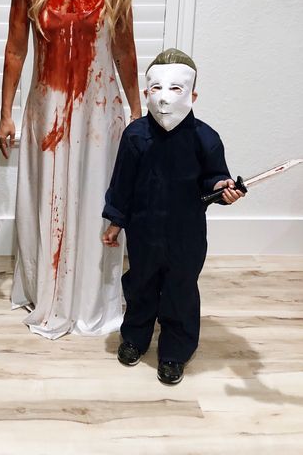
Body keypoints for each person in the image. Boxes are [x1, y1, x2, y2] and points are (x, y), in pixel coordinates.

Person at [0, 0, 142, 339]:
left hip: (100, 110)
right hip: (48, 108)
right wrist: (5, 113)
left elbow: (125, 50)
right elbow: (15, 50)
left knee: (97, 194)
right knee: (48, 196)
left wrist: (137, 112)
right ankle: (48, 288)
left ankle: (91, 293)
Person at [102, 48, 245, 385]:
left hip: (187, 232)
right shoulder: (135, 136)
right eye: (156, 88)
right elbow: (122, 183)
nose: (164, 98)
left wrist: (222, 188)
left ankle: (175, 349)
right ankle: (135, 336)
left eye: (176, 89)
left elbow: (214, 178)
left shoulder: (206, 139)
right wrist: (115, 220)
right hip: (144, 229)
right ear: (146, 92)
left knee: (181, 288)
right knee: (141, 284)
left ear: (192, 95)